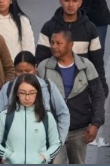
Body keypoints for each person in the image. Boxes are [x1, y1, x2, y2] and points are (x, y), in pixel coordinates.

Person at [35, 29, 105, 165]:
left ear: (70, 45)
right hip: (53, 131)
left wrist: (95, 124)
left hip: (79, 131)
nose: (54, 46)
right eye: (52, 43)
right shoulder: (44, 68)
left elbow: (98, 95)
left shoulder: (85, 66)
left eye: (59, 43)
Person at [0, 73, 62, 164]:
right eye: (22, 93)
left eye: (31, 93)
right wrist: (7, 154)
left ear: (37, 93)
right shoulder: (5, 115)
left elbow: (56, 144)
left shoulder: (47, 116)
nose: (27, 97)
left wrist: (44, 156)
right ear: (17, 93)